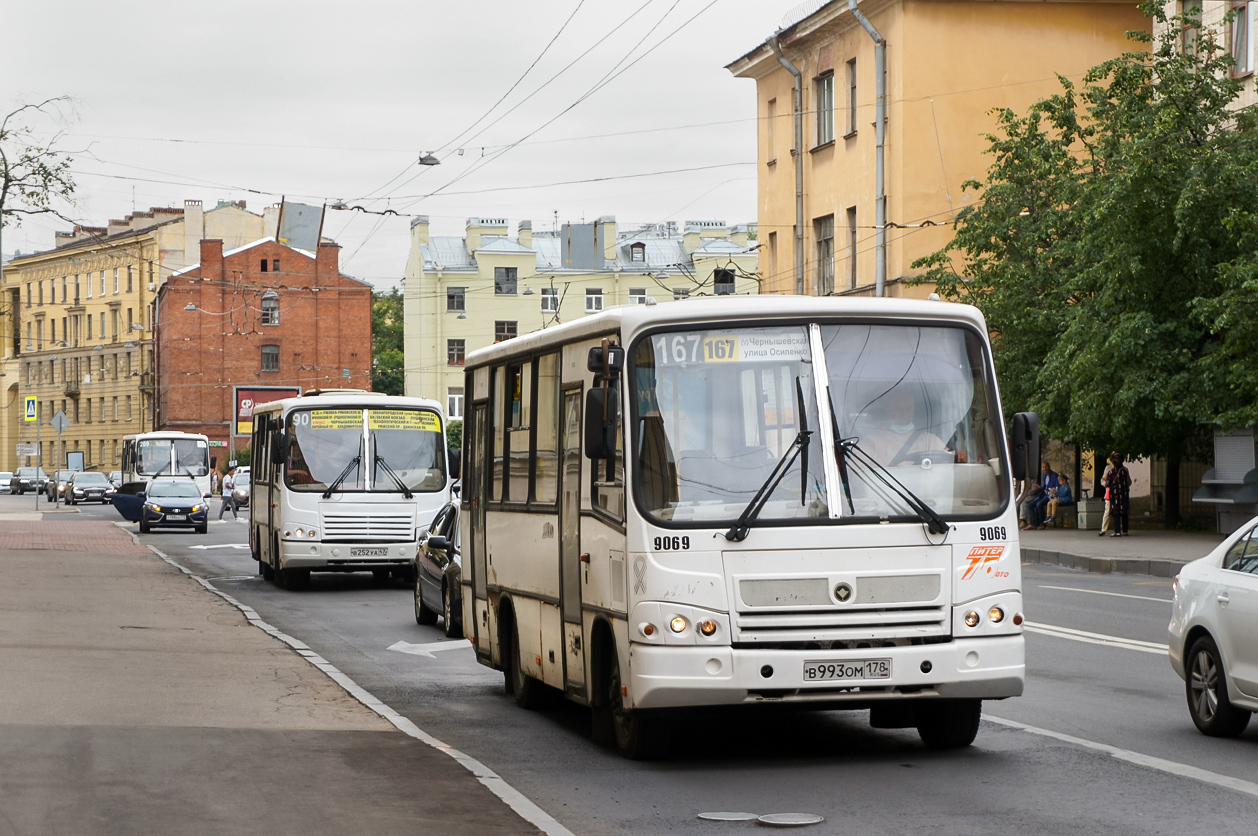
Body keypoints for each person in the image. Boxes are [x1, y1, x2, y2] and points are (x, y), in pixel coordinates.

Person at [860, 388, 954, 467]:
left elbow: (949, 463)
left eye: (908, 408)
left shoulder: (930, 440)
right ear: (888, 410)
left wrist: (957, 457)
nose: (904, 413)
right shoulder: (870, 442)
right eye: (898, 409)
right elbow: (855, 473)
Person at [1025, 461, 1059, 530]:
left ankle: (1042, 523)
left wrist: (1051, 491)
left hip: (1050, 496)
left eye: (1046, 467)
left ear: (1049, 467)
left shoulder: (1055, 475)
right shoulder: (1044, 476)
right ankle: (1033, 524)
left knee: (1039, 504)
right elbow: (1044, 487)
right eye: (1043, 467)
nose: (1045, 468)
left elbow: (1057, 487)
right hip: (1043, 495)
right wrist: (1040, 488)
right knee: (1030, 505)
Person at [1105, 453, 1132, 537]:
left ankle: (1117, 531)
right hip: (1124, 494)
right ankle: (1125, 530)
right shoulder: (1125, 470)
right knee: (1124, 512)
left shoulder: (1111, 472)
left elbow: (1108, 483)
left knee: (1116, 512)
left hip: (1115, 494)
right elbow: (1129, 482)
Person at [1098, 455, 1116, 537]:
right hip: (1109, 491)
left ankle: (1119, 529)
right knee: (1107, 510)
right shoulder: (1108, 468)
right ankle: (1103, 529)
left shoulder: (1123, 469)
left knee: (1118, 511)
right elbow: (1103, 479)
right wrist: (1105, 484)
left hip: (1119, 492)